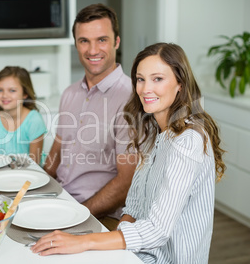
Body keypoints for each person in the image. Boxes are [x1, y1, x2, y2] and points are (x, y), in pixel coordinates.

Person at [31, 43, 226, 263]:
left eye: (157, 79)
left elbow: (157, 230)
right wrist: (118, 249)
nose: (145, 89)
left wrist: (86, 241)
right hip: (137, 252)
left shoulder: (189, 140)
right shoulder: (151, 129)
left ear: (180, 83)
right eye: (140, 79)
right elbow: (134, 203)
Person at [43, 3, 138, 231]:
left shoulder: (131, 99)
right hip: (60, 201)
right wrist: (39, 187)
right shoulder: (70, 93)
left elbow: (126, 183)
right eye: (84, 41)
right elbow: (58, 149)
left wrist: (76, 214)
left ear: (116, 41)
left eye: (101, 40)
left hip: (98, 214)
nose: (92, 50)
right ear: (76, 44)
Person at [0, 66, 47, 164]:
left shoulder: (34, 120)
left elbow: (35, 164)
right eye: (0, 90)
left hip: (30, 173)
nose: (4, 95)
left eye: (12, 90)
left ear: (25, 94)